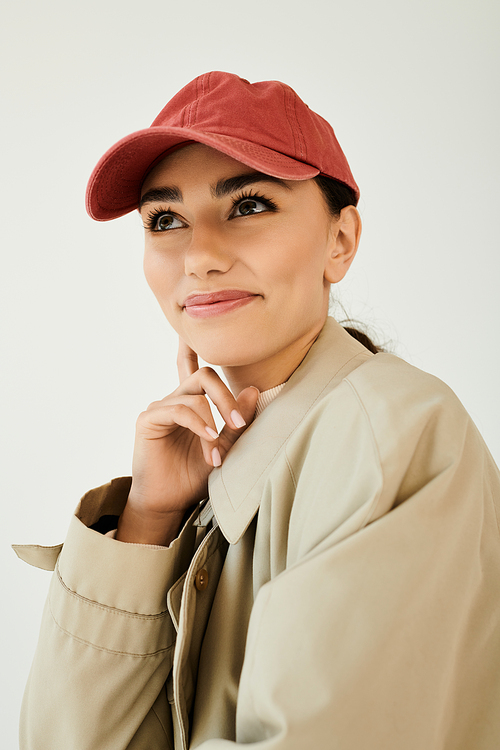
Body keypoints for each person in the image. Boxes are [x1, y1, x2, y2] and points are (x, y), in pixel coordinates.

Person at [14, 71, 500, 750]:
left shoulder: (394, 433)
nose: (201, 255)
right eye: (165, 219)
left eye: (247, 206)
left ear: (341, 241)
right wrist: (148, 519)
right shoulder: (215, 466)